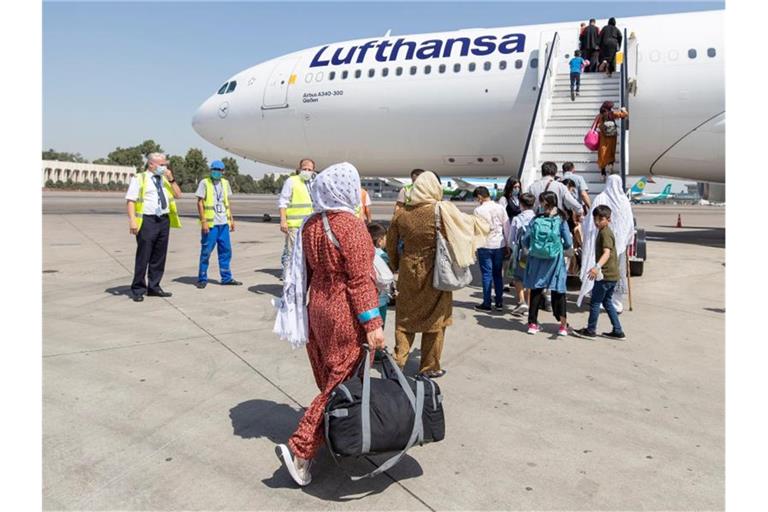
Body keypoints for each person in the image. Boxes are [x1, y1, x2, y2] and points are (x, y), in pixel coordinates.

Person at [273, 162, 385, 487]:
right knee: (341, 381)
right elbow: (360, 281)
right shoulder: (351, 226)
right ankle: (303, 448)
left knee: (331, 378)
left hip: (316, 306)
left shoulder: (311, 225)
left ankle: (338, 435)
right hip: (342, 311)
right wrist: (373, 323)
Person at [387, 171, 489, 378]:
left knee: (405, 319)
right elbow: (465, 227)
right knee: (436, 320)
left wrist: (397, 265)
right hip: (435, 271)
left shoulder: (402, 213)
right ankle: (429, 367)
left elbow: (391, 243)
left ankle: (398, 361)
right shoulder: (441, 210)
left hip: (408, 270)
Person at [125, 152, 182, 302]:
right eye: (161, 165)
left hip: (163, 220)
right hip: (147, 220)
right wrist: (132, 220)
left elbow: (178, 194)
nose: (165, 167)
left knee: (159, 256)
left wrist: (171, 178)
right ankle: (138, 288)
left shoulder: (165, 179)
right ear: (151, 164)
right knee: (144, 255)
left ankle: (154, 287)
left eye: (165, 165)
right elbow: (131, 200)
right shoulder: (139, 178)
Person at [577, 174, 635, 314]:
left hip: (603, 239)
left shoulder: (600, 198)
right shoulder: (624, 200)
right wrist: (628, 239)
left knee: (601, 266)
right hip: (618, 244)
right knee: (617, 270)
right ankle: (615, 301)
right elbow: (629, 224)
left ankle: (601, 298)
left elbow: (591, 220)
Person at [573, 205, 627, 340]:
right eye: (595, 219)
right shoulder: (604, 231)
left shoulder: (605, 233)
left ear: (608, 219)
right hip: (612, 275)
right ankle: (618, 330)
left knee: (596, 302)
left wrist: (597, 267)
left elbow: (607, 253)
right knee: (607, 302)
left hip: (606, 275)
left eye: (601, 219)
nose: (597, 222)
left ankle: (591, 330)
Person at [522, 191, 573, 336]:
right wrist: (558, 247)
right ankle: (563, 326)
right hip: (555, 260)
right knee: (558, 290)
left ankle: (532, 324)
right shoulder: (561, 219)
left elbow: (525, 240)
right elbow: (568, 242)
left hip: (536, 259)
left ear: (544, 203)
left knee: (536, 289)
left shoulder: (536, 219)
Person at [195, 160, 242, 288]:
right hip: (211, 225)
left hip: (223, 224)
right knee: (206, 251)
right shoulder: (204, 183)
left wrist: (231, 219)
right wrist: (203, 221)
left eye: (218, 170)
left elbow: (227, 203)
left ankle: (226, 278)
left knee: (226, 251)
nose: (216, 172)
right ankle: (202, 278)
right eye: (213, 169)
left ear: (223, 171)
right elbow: (200, 202)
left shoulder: (225, 183)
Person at [473, 186, 509, 312]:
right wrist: (508, 244)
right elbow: (506, 226)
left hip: (484, 244)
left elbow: (477, 229)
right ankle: (499, 302)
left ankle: (487, 303)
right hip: (499, 244)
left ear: (479, 197)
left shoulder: (478, 210)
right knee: (498, 274)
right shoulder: (500, 207)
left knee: (486, 274)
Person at [278, 158, 316, 278]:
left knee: (307, 255)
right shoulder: (292, 181)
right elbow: (282, 202)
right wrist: (283, 220)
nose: (307, 171)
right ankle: (287, 279)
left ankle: (302, 279)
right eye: (304, 169)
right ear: (299, 169)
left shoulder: (313, 183)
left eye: (310, 169)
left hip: (309, 226)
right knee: (291, 254)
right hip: (294, 225)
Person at [508, 192, 536, 316]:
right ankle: (529, 304)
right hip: (535, 253)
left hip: (521, 253)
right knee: (530, 279)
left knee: (518, 277)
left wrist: (511, 248)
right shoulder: (537, 219)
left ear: (521, 204)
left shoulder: (517, 219)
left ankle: (521, 301)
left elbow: (511, 239)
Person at [594, 102, 629, 178]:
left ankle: (603, 173)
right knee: (611, 152)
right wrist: (623, 109)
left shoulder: (599, 116)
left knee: (602, 154)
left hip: (603, 137)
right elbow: (625, 114)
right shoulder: (612, 114)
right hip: (612, 136)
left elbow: (594, 125)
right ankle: (611, 168)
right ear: (610, 108)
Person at [368, 223, 392, 325]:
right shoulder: (383, 256)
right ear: (380, 240)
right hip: (381, 300)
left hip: (369, 300)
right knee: (379, 327)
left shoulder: (366, 252)